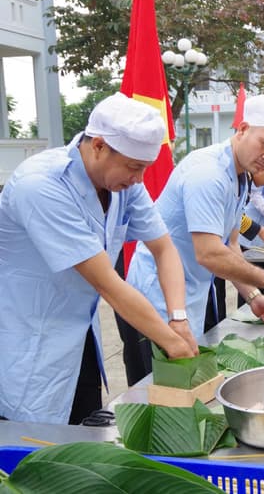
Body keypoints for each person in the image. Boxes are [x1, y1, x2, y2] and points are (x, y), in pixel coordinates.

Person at [0, 93, 198, 424]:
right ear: (99, 146)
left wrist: (178, 318)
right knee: (31, 449)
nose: (139, 179)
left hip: (80, 337)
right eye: (135, 167)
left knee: (80, 435)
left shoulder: (123, 184)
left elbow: (164, 249)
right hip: (29, 337)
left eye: (145, 169)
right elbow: (108, 284)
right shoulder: (41, 186)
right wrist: (169, 341)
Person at [127, 94, 264, 349]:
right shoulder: (208, 173)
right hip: (156, 293)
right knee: (161, 384)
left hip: (189, 291)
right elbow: (209, 253)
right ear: (242, 129)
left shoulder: (241, 176)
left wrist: (252, 296)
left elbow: (229, 244)